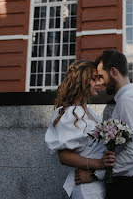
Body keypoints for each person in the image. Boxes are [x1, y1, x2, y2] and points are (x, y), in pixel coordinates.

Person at [76, 49, 133, 199]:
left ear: (113, 71)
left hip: (127, 189)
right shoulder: (130, 98)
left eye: (101, 76)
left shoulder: (128, 100)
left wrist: (95, 175)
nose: (99, 82)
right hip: (129, 188)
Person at [45, 60, 114, 199]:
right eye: (94, 79)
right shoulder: (67, 113)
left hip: (96, 182)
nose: (98, 84)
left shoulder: (90, 112)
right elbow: (64, 157)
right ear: (82, 81)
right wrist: (99, 164)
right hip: (86, 190)